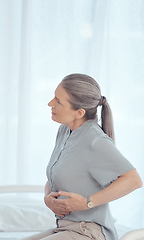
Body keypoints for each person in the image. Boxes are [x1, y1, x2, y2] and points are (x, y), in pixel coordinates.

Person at [25, 74, 142, 240]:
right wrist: (47, 199)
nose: (50, 104)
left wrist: (87, 202)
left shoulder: (95, 140)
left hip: (88, 232)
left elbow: (133, 180)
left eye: (58, 101)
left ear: (79, 112)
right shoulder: (65, 131)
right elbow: (58, 175)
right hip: (64, 228)